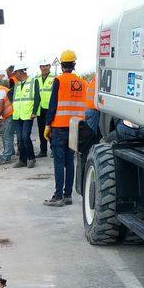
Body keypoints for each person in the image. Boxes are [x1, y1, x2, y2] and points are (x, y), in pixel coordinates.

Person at [43, 49, 86, 206]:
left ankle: (58, 196)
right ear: (74, 64)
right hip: (76, 127)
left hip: (60, 127)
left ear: (61, 65)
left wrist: (48, 124)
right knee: (70, 161)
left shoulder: (59, 80)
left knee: (59, 162)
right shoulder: (82, 82)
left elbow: (53, 105)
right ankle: (68, 195)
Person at [11, 65, 40, 168]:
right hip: (17, 115)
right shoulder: (17, 85)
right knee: (19, 138)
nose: (15, 75)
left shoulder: (33, 81)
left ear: (20, 72)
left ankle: (31, 158)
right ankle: (22, 160)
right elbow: (13, 98)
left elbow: (37, 97)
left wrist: (34, 111)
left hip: (28, 114)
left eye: (15, 73)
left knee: (25, 136)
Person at [35, 58, 55, 157]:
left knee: (51, 130)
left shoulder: (54, 78)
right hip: (40, 109)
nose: (44, 68)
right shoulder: (37, 79)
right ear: (40, 67)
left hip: (50, 109)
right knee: (41, 130)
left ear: (50, 66)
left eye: (46, 65)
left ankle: (53, 149)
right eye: (42, 66)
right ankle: (43, 151)